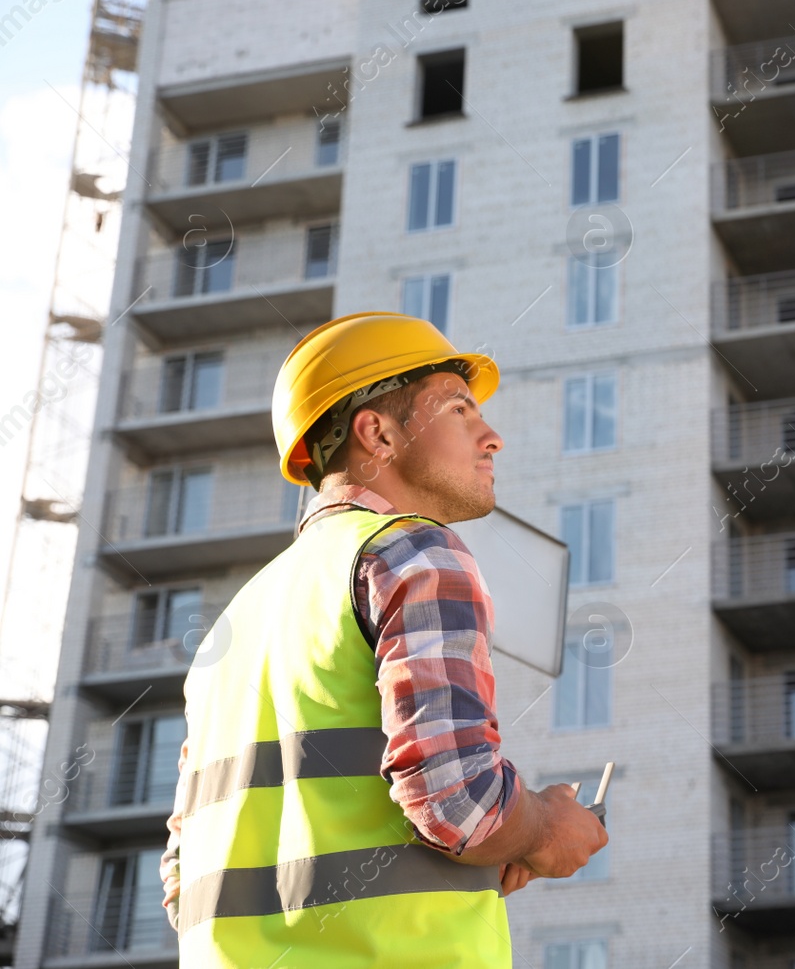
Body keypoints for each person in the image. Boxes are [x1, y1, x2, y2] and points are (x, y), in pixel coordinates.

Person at [158, 311, 607, 966]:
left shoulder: (232, 623)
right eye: (460, 409)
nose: (494, 437)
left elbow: (180, 876)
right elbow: (457, 801)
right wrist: (542, 826)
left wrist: (487, 849)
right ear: (378, 431)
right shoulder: (415, 553)